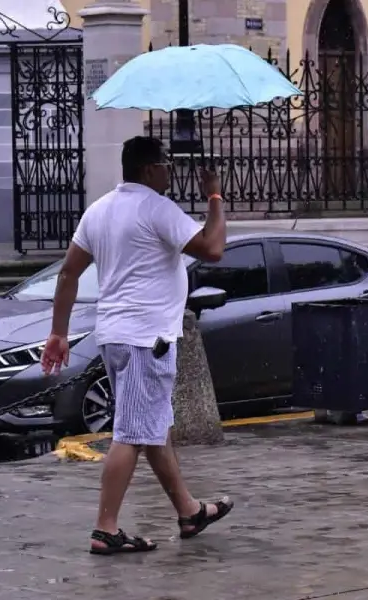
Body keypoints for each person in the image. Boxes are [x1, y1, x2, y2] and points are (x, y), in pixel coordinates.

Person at [41, 136, 233, 554]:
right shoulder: (156, 208)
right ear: (149, 170)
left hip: (115, 339)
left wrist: (58, 332)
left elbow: (68, 274)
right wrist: (214, 196)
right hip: (149, 341)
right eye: (165, 164)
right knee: (131, 433)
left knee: (152, 429)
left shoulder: (100, 210)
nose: (169, 171)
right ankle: (105, 529)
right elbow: (213, 248)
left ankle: (189, 510)